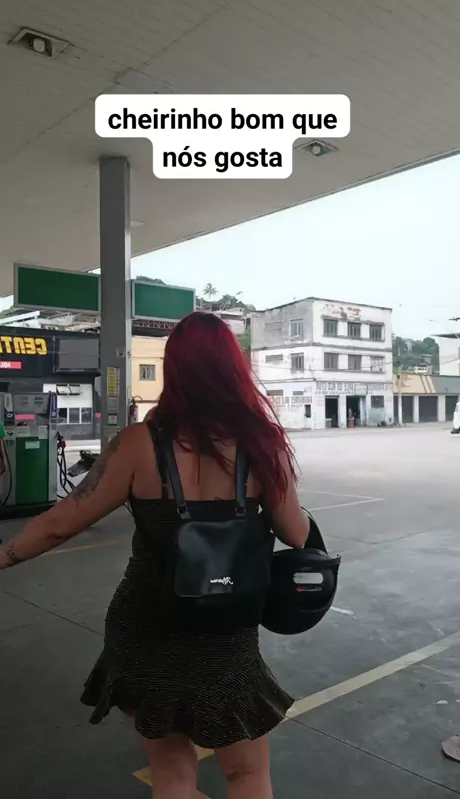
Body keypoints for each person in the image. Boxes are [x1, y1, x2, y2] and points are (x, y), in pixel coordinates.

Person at [0, 312, 309, 799]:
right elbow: (296, 533)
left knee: (171, 772)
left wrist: (4, 556)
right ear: (234, 367)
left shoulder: (137, 446)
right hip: (225, 634)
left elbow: (61, 522)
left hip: (147, 626)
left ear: (173, 369)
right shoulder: (261, 445)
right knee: (247, 774)